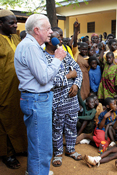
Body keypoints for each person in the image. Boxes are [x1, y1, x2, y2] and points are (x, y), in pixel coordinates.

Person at [14, 14, 66, 175]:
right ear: (37, 30)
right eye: (48, 28)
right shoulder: (30, 47)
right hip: (37, 100)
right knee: (40, 144)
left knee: (39, 142)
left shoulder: (34, 46)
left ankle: (37, 171)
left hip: (38, 99)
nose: (51, 32)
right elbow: (43, 78)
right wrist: (57, 59)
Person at [45, 30, 83, 167]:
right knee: (57, 128)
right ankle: (58, 153)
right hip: (57, 101)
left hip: (72, 100)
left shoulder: (65, 54)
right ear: (49, 41)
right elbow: (48, 81)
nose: (61, 40)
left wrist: (76, 85)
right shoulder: (44, 57)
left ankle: (71, 150)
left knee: (72, 127)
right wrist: (68, 76)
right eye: (58, 38)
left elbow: (78, 71)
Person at [0, 9, 27, 169]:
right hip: (4, 88)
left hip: (19, 87)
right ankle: (7, 153)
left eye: (16, 22)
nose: (15, 25)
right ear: (1, 23)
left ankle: (20, 148)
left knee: (19, 118)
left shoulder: (16, 38)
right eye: (11, 22)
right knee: (5, 120)